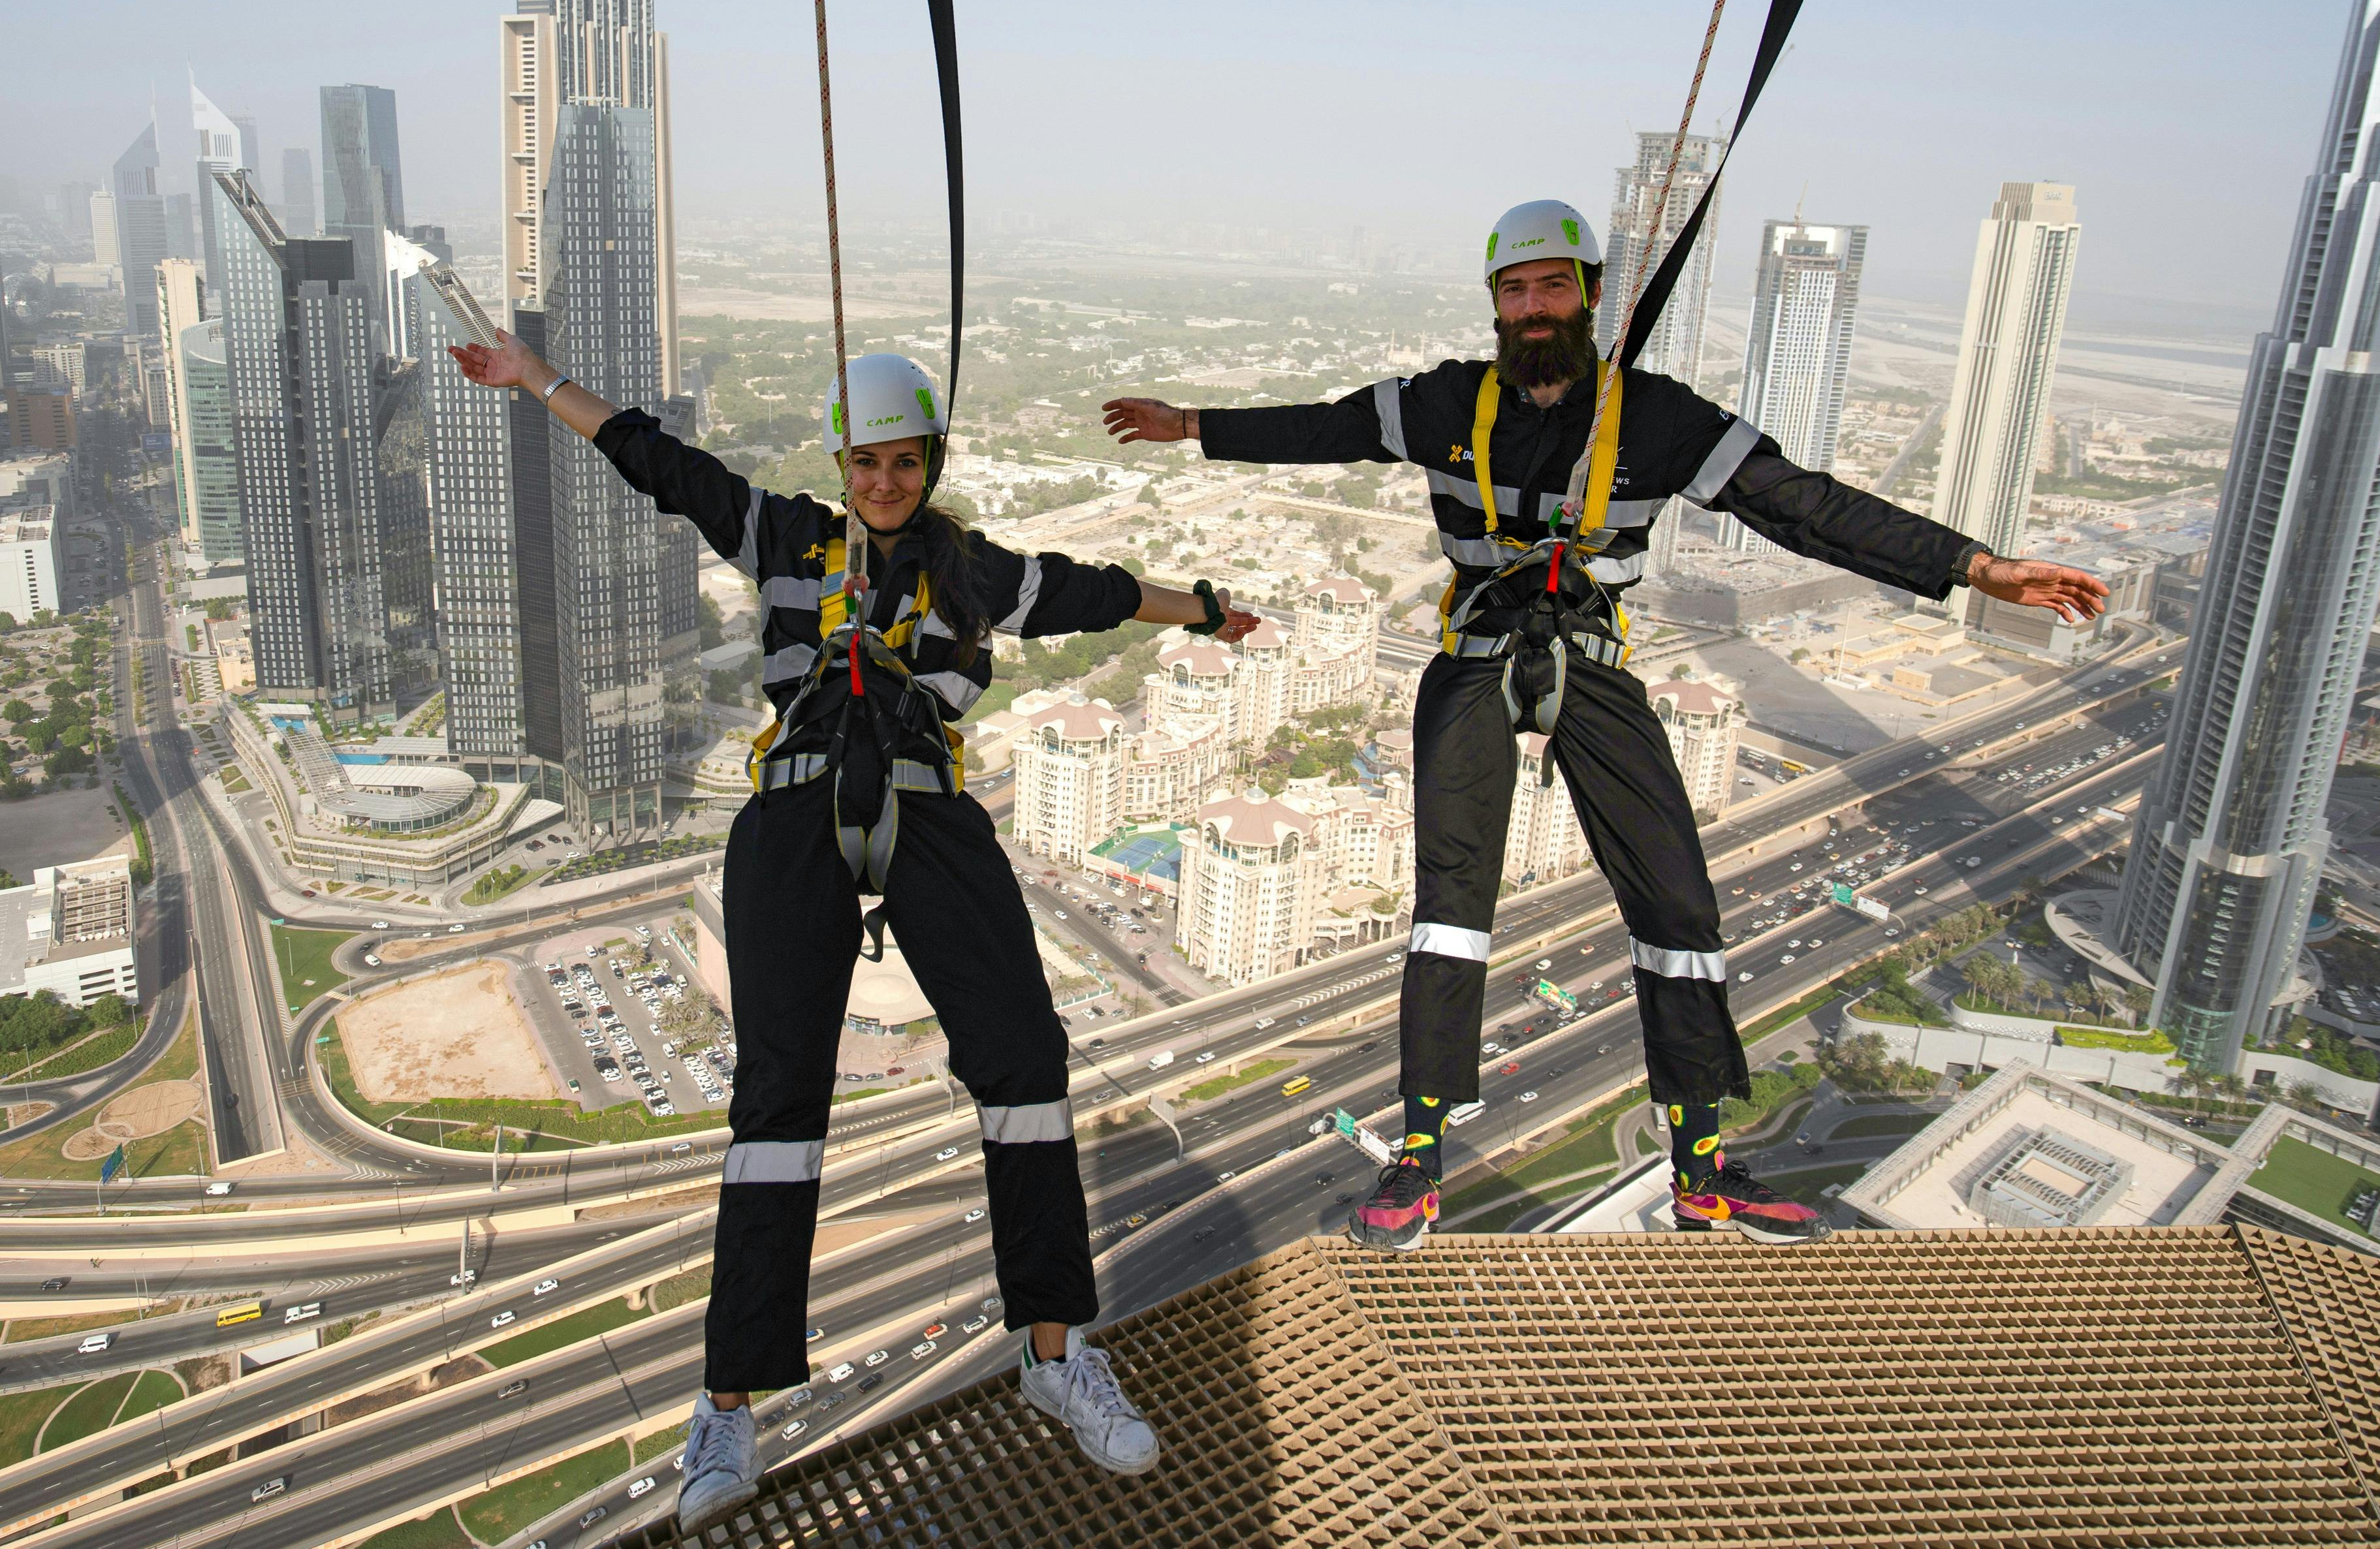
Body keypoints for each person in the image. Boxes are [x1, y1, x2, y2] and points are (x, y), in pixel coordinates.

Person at [1103, 199, 2106, 1252]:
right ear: (1495, 307)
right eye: (1514, 290)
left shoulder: (1657, 416)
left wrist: (1972, 567)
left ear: (1587, 296)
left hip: (1589, 657)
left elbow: (1802, 504)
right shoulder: (1444, 403)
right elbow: (1323, 427)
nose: (1533, 308)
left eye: (1551, 287)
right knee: (1451, 904)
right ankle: (1420, 1156)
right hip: (1479, 654)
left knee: (1678, 902)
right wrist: (1195, 428)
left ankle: (1702, 1170)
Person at [452, 332, 1258, 1532]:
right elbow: (657, 461)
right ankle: (728, 1407)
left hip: (930, 812)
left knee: (1027, 1065)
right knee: (778, 1098)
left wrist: (1206, 609)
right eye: (866, 461)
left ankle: (1054, 1349)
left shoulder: (974, 573)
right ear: (845, 461)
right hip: (798, 804)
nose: (884, 480)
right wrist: (535, 381)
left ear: (930, 461)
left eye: (903, 461)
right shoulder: (785, 535)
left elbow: (1098, 589)